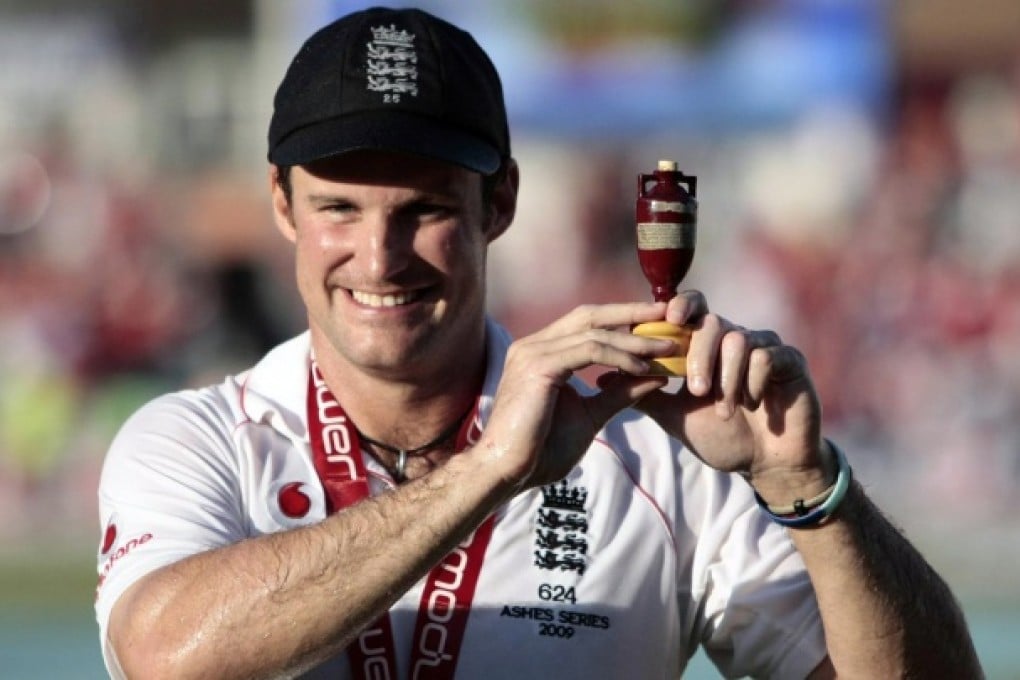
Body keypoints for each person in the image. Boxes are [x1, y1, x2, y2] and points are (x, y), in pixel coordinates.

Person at [94, 7, 982, 679]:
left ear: (502, 203)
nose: (379, 256)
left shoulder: (656, 463)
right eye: (339, 208)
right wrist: (487, 472)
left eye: (426, 210)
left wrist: (810, 489)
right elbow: (166, 657)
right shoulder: (194, 440)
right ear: (283, 206)